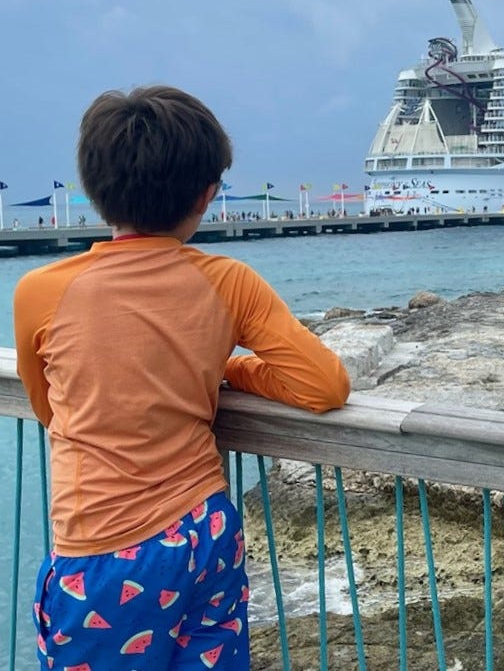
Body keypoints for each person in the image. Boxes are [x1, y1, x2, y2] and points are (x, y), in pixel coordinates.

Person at [14, 85, 350, 670]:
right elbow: (323, 386)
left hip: (101, 550)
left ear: (95, 191)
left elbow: (49, 408)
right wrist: (223, 369)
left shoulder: (40, 293)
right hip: (204, 533)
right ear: (207, 195)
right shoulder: (228, 281)